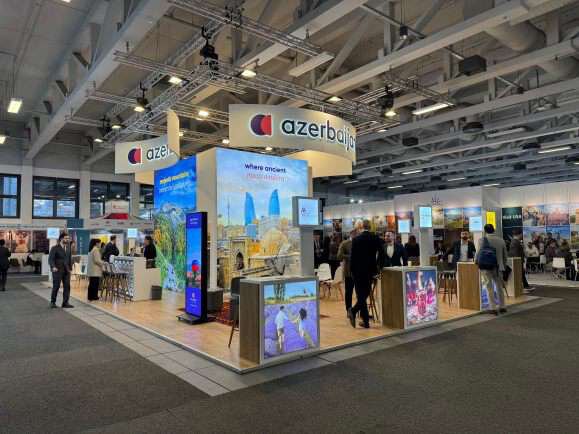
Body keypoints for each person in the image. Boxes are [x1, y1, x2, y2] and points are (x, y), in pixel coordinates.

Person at [349, 220, 384, 329]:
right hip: (370, 271)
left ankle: (354, 311)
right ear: (370, 227)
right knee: (365, 294)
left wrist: (351, 271)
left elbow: (352, 258)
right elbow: (382, 253)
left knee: (361, 295)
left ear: (362, 227)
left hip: (358, 272)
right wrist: (378, 267)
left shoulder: (356, 239)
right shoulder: (375, 238)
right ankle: (365, 321)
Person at [476, 224, 507, 315]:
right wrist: (503, 265)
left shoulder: (481, 240)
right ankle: (502, 306)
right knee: (499, 287)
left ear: (485, 231)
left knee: (489, 287)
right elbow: (505, 255)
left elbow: (478, 254)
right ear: (494, 230)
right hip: (498, 267)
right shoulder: (501, 240)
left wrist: (476, 262)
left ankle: (493, 308)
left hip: (486, 267)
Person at [48, 232, 74, 309]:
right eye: (66, 238)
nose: (67, 240)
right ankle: (52, 302)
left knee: (67, 287)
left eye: (68, 238)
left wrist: (70, 268)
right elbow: (51, 259)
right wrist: (53, 267)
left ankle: (65, 303)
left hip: (66, 271)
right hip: (57, 270)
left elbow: (69, 259)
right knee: (56, 286)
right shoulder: (55, 248)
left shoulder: (68, 248)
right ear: (61, 239)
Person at [337, 230, 356, 313]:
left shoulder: (360, 242)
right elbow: (339, 256)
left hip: (359, 272)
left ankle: (362, 312)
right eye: (355, 233)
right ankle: (349, 310)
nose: (356, 235)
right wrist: (350, 256)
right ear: (351, 234)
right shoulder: (345, 243)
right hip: (349, 272)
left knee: (361, 293)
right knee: (349, 292)